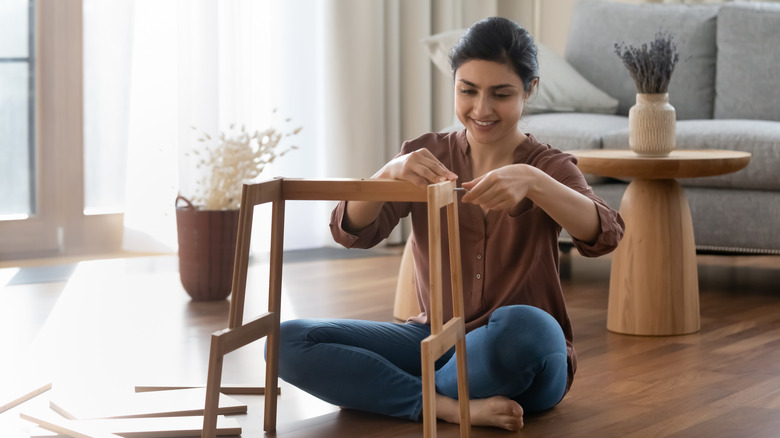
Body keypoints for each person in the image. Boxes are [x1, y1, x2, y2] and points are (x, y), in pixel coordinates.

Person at [275, 17, 624, 431]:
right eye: (468, 90)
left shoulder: (547, 166)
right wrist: (389, 173)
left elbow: (604, 234)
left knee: (525, 327)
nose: (481, 109)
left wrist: (534, 183)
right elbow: (349, 230)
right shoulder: (425, 154)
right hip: (432, 341)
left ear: (530, 90)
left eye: (501, 94)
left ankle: (392, 390)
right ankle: (443, 405)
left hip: (519, 352)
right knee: (285, 340)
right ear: (454, 84)